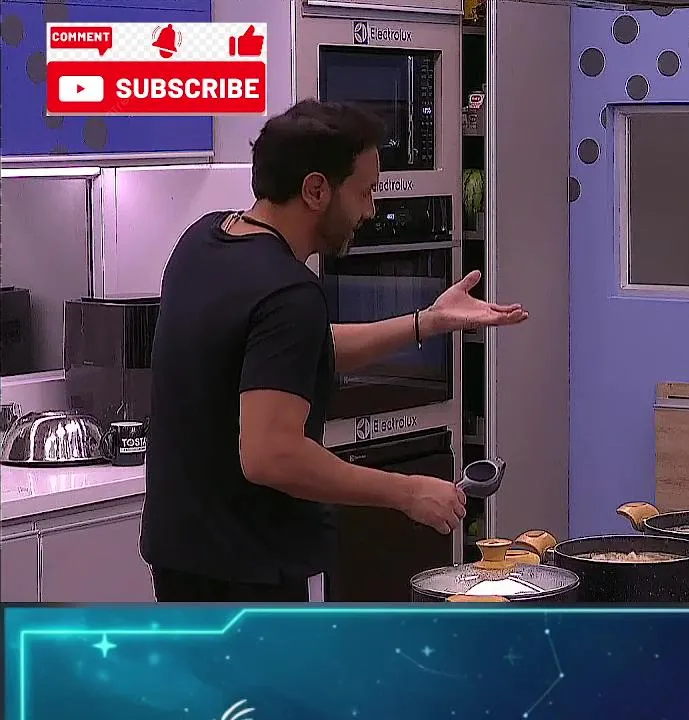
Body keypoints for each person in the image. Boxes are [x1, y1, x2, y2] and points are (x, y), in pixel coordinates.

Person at [140, 100, 529, 602]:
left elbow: (294, 355)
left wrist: (428, 321)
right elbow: (271, 455)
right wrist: (408, 492)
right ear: (316, 190)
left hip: (182, 561)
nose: (370, 210)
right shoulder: (288, 291)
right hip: (245, 574)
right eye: (364, 192)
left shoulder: (204, 241)